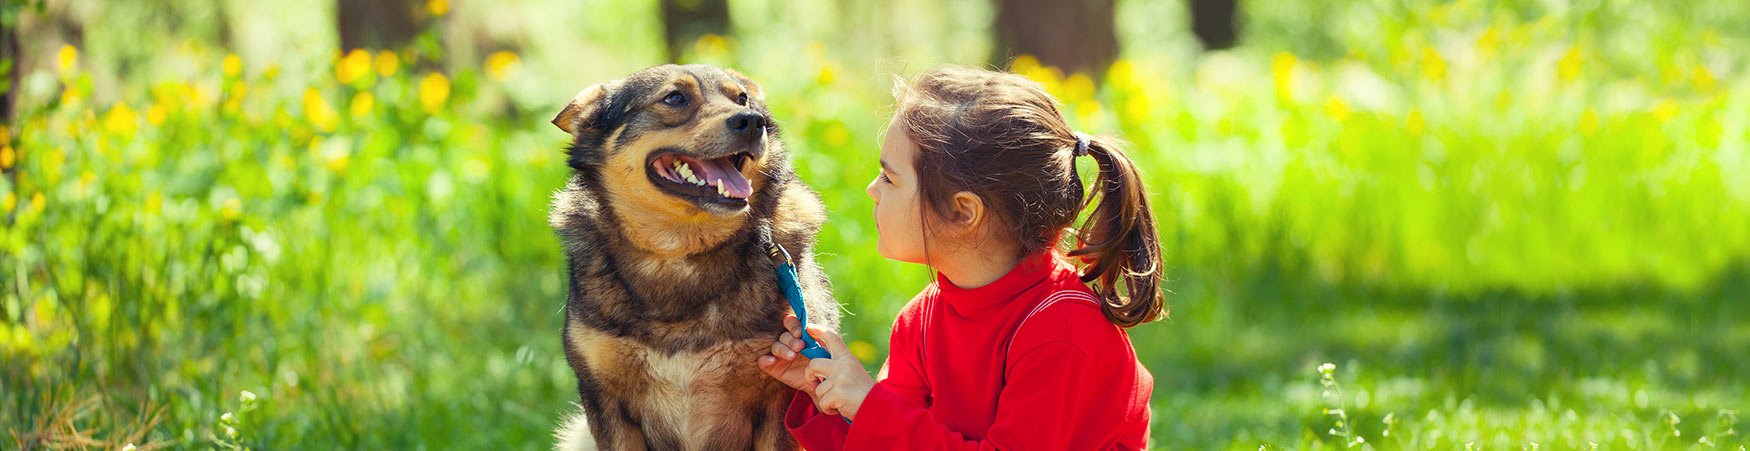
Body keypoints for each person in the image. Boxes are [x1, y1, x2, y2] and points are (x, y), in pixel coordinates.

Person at [756, 65, 1166, 450]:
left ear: (962, 213)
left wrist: (867, 402)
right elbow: (895, 439)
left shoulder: (1064, 331)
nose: (872, 189)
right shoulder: (922, 320)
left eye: (890, 177)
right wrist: (824, 395)